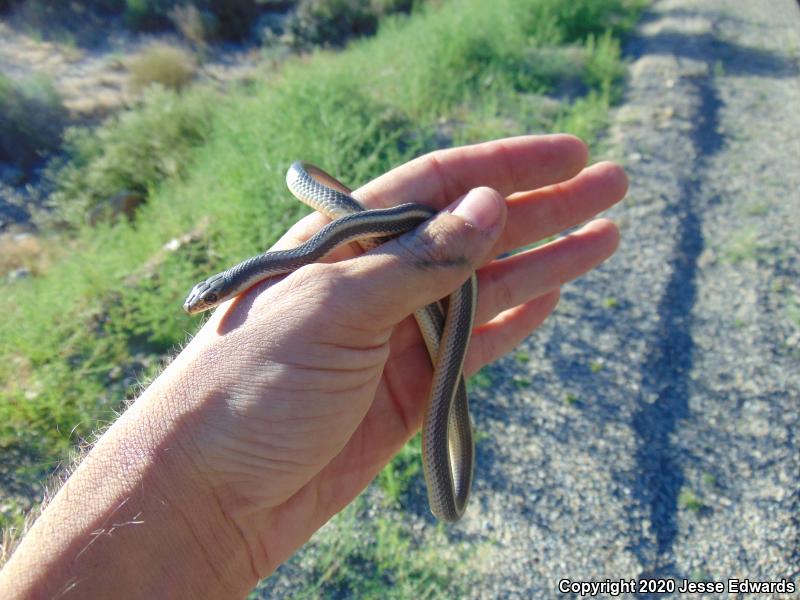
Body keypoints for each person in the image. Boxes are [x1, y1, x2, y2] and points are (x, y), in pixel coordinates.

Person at [0, 135, 627, 598]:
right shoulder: (310, 249)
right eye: (209, 300)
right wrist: (190, 493)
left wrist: (188, 495)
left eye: (210, 298)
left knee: (448, 334)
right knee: (440, 355)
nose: (206, 305)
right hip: (354, 245)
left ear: (227, 291)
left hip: (380, 243)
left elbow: (320, 206)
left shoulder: (324, 234)